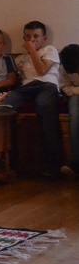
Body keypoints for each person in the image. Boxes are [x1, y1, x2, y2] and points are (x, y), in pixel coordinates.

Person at [0, 21, 62, 178]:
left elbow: (42, 71)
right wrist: (7, 93)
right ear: (23, 38)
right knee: (3, 107)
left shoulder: (50, 50)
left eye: (36, 36)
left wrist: (32, 51)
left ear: (44, 38)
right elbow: (16, 81)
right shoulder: (19, 59)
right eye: (28, 37)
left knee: (45, 107)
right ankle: (9, 162)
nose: (32, 40)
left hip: (47, 85)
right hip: (27, 88)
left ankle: (52, 166)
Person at [60, 44, 79, 177]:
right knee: (74, 113)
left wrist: (74, 89)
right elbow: (65, 87)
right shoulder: (64, 67)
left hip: (75, 91)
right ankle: (76, 162)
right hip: (74, 96)